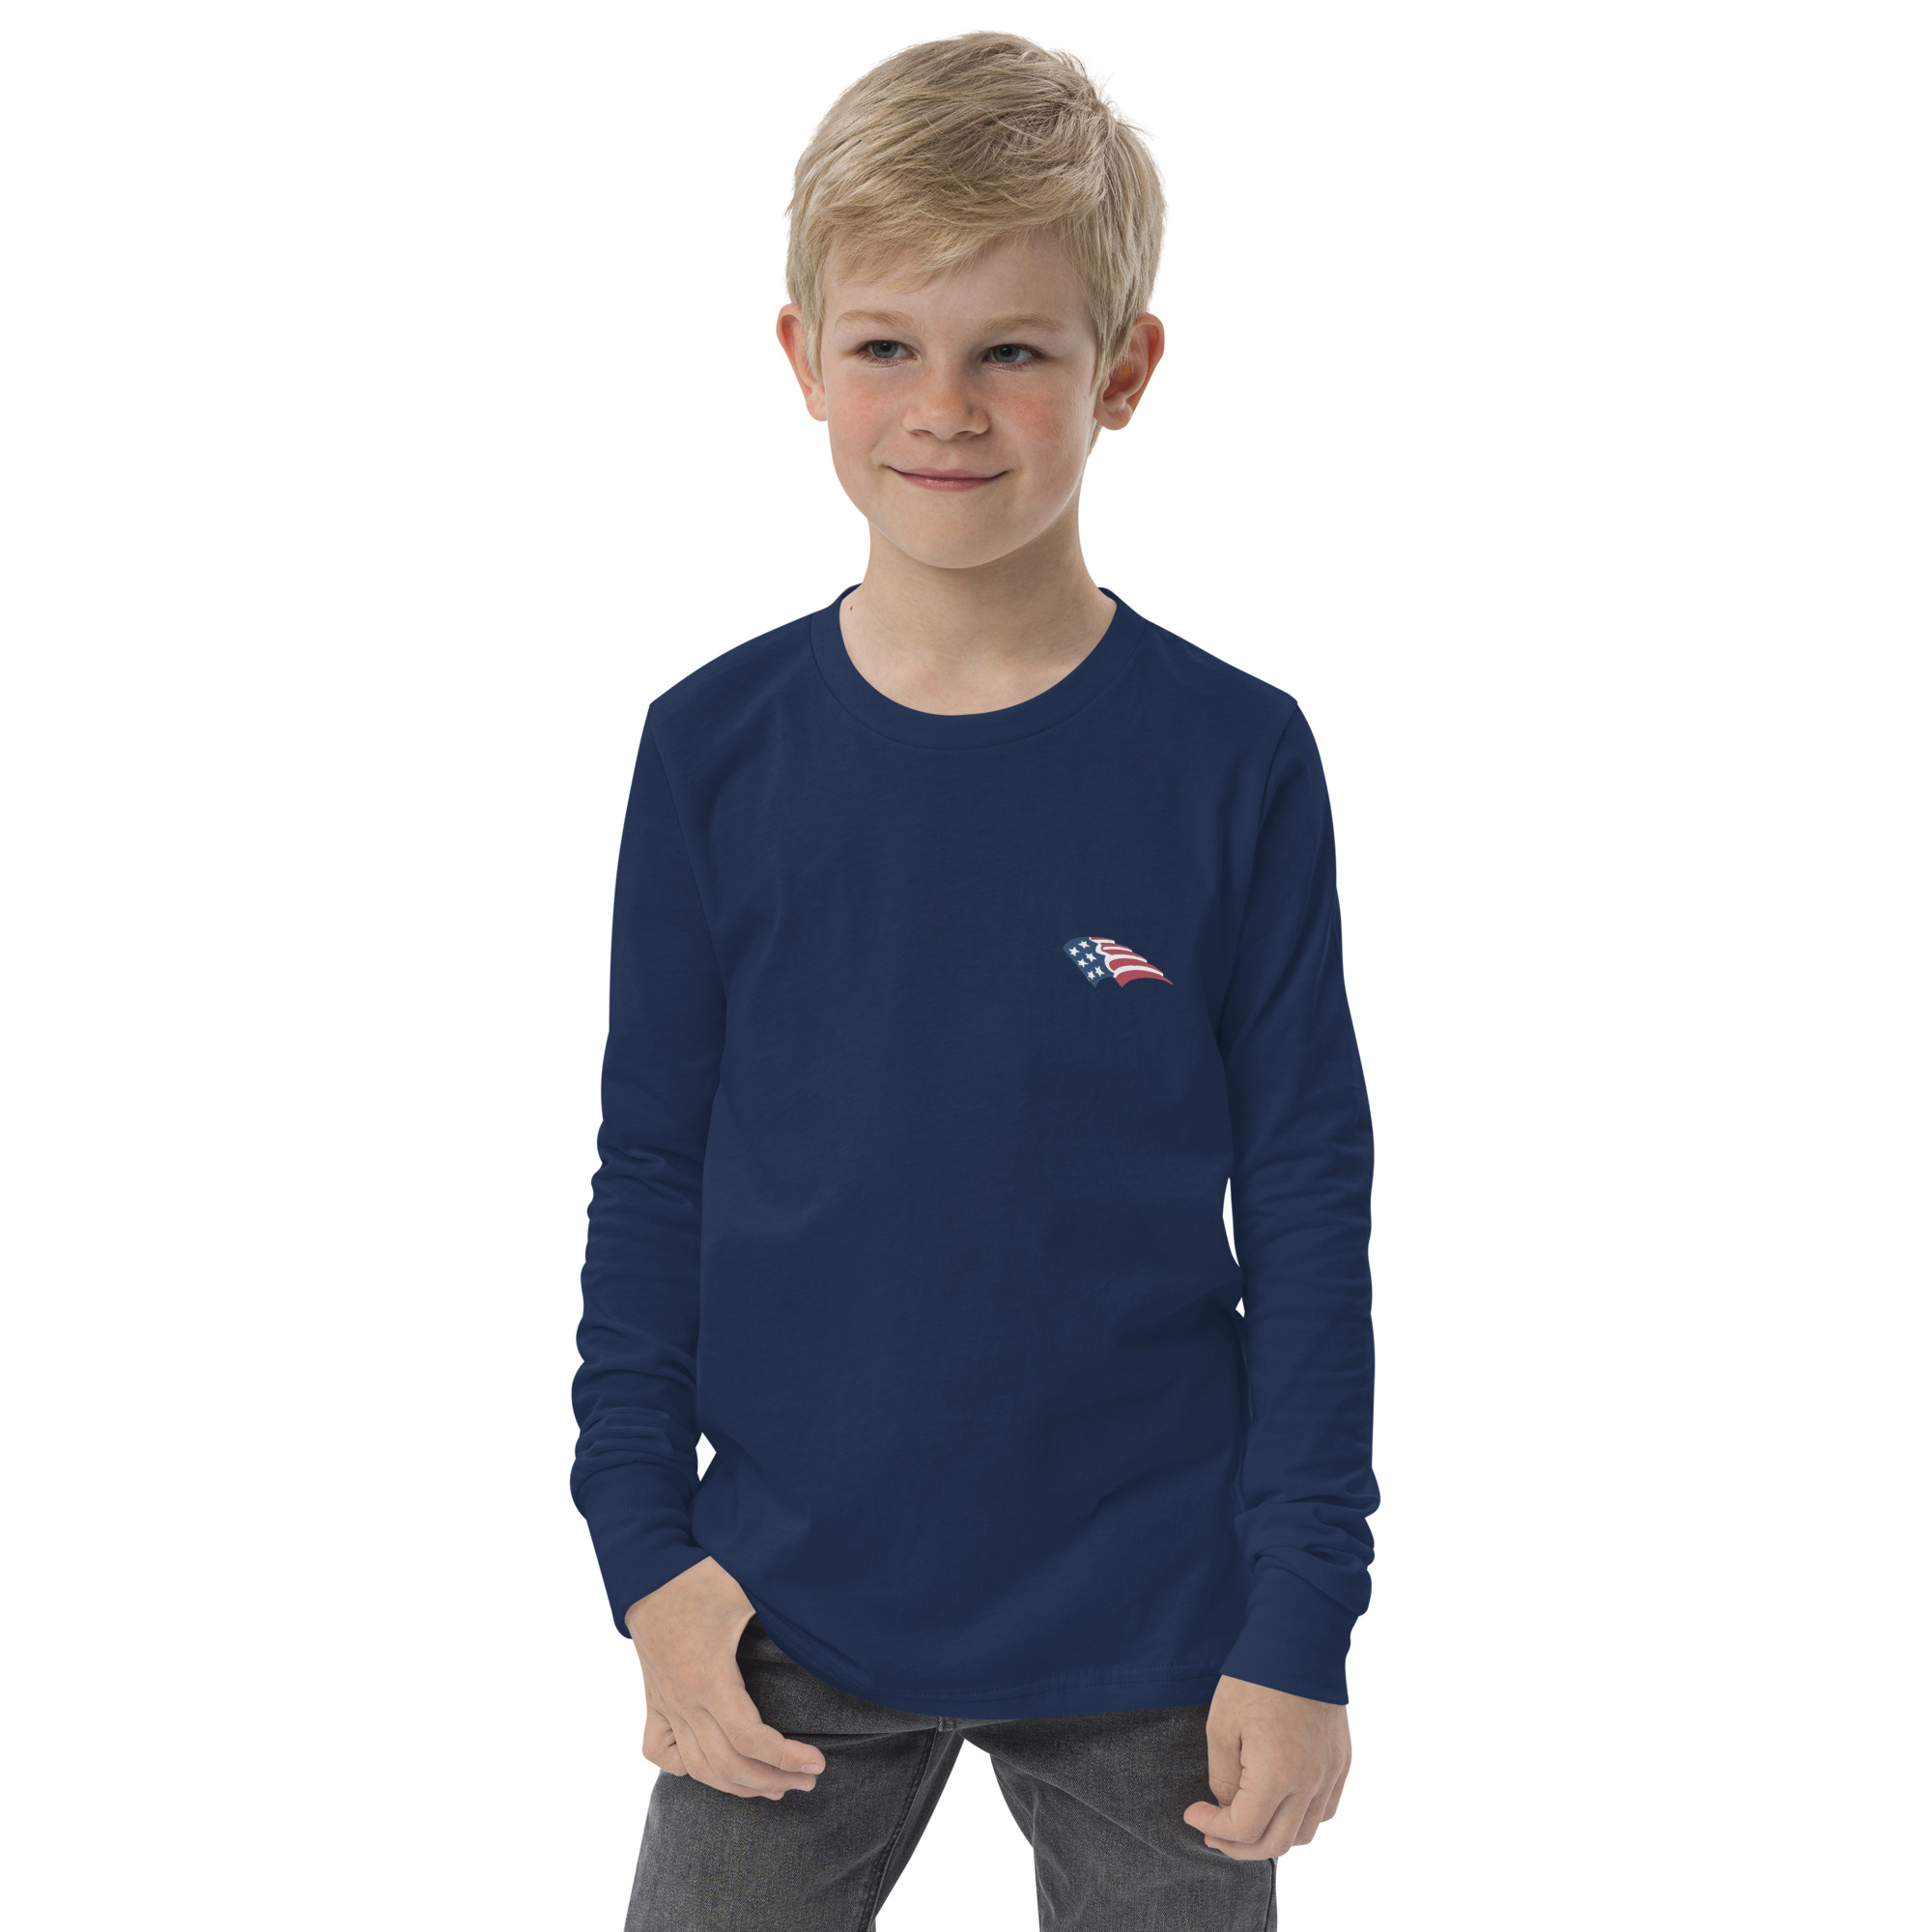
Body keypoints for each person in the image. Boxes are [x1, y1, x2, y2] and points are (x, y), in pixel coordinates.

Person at [570, 30, 1378, 1931]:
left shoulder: (1233, 760)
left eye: (1011, 349)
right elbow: (651, 1171)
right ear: (802, 359)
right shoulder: (713, 752)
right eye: (886, 346)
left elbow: (1308, 1204)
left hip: (1156, 1619)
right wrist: (644, 1553)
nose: (943, 407)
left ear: (1124, 370)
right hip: (783, 1600)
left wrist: (1300, 1619)